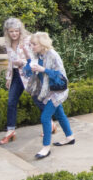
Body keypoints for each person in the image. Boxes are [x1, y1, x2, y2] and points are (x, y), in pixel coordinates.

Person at [24, 31, 73, 159]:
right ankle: (70, 137)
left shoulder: (53, 55)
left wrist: (43, 70)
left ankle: (46, 147)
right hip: (47, 90)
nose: (32, 46)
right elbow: (29, 69)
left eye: (34, 44)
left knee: (45, 117)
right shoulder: (37, 55)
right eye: (31, 44)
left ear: (42, 44)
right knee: (59, 114)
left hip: (57, 91)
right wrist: (28, 66)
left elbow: (60, 76)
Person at [0, 18, 33, 145]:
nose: (14, 34)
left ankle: (50, 124)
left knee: (38, 101)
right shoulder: (7, 43)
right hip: (16, 76)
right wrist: (9, 78)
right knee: (11, 101)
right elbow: (10, 62)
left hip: (28, 75)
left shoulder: (27, 40)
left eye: (16, 31)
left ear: (20, 31)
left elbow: (33, 59)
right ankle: (10, 130)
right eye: (11, 31)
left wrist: (22, 62)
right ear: (7, 32)